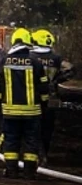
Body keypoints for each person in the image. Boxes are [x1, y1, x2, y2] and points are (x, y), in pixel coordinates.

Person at [0, 28, 49, 179]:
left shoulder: (3, 61)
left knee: (11, 140)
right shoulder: (36, 63)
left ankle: (11, 171)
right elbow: (44, 86)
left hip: (10, 111)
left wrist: (1, 102)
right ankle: (30, 173)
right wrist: (44, 103)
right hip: (32, 112)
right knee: (31, 141)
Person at [31, 29, 75, 164]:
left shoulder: (29, 56)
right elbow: (71, 69)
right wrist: (56, 80)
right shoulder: (56, 58)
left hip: (32, 97)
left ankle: (36, 154)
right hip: (51, 98)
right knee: (47, 127)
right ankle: (45, 154)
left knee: (32, 126)